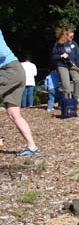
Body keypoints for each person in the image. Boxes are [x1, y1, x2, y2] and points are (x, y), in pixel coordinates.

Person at [0, 29, 40, 157]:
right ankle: (32, 147)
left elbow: (1, 53)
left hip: (9, 70)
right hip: (15, 71)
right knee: (14, 114)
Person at [51, 27, 79, 104]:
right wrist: (61, 56)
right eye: (70, 36)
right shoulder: (58, 44)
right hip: (62, 65)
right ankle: (66, 102)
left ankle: (77, 97)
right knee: (67, 87)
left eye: (73, 36)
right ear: (65, 35)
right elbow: (53, 56)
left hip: (72, 64)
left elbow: (78, 56)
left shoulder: (74, 44)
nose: (72, 37)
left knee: (78, 79)